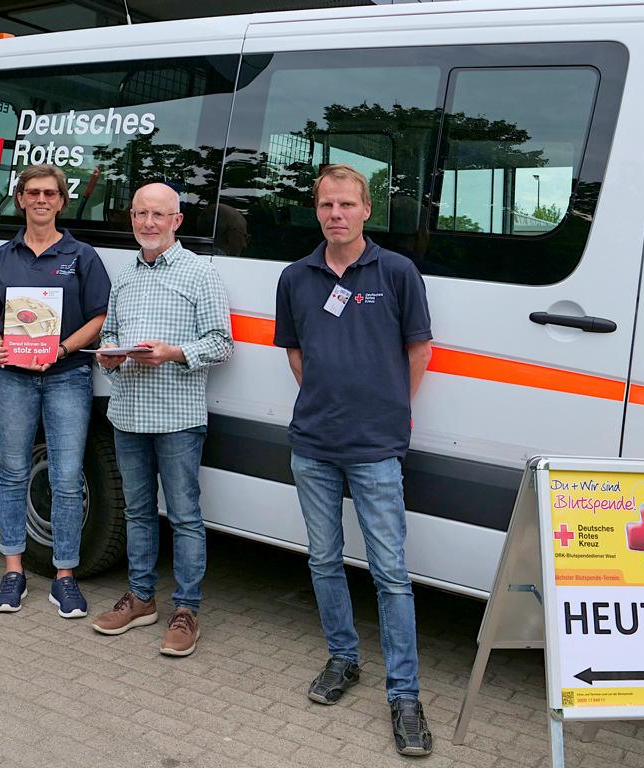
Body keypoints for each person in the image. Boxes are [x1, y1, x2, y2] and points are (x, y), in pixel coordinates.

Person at [273, 164, 434, 756]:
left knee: (390, 574)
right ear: (316, 211)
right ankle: (343, 659)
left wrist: (387, 410)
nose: (335, 214)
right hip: (313, 445)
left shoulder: (396, 272)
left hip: (375, 448)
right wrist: (327, 400)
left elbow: (419, 350)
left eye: (346, 204)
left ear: (367, 210)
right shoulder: (296, 277)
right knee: (323, 559)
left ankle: (405, 693)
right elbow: (295, 354)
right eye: (326, 206)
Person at [90, 182, 232, 657]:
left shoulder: (200, 274)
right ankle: (142, 598)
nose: (148, 223)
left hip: (177, 417)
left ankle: (187, 609)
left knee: (186, 517)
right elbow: (110, 334)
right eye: (140, 214)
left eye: (158, 215)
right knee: (137, 511)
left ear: (177, 221)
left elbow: (221, 343)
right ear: (131, 218)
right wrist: (108, 357)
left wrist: (174, 353)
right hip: (127, 413)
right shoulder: (125, 274)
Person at [0, 164, 111, 618]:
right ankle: (13, 570)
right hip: (11, 376)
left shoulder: (83, 256)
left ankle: (64, 576)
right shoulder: (0, 258)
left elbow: (99, 316)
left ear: (61, 200)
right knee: (13, 471)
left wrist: (66, 347)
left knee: (67, 477)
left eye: (49, 193)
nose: (41, 200)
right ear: (20, 199)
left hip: (67, 375)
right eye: (32, 192)